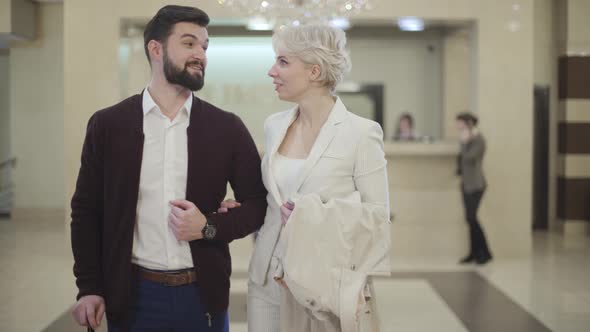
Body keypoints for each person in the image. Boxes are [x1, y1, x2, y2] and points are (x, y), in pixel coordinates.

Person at [70, 5, 267, 331]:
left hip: (203, 297)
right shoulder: (108, 125)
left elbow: (259, 204)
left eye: (205, 46)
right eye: (189, 43)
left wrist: (209, 227)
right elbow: (86, 210)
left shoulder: (226, 127)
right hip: (132, 296)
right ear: (156, 49)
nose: (201, 55)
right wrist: (88, 287)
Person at [222, 24, 391, 331]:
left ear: (315, 72)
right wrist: (243, 208)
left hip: (323, 281)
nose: (271, 71)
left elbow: (379, 219)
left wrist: (312, 215)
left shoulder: (362, 133)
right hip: (266, 277)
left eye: (283, 62)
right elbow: (274, 198)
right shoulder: (275, 125)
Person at [456, 112, 493, 265]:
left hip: (476, 185)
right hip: (466, 184)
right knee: (469, 220)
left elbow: (469, 157)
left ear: (468, 123)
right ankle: (473, 253)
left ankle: (485, 253)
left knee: (472, 218)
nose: (457, 126)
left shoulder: (479, 139)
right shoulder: (467, 138)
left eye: (459, 123)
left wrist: (464, 143)